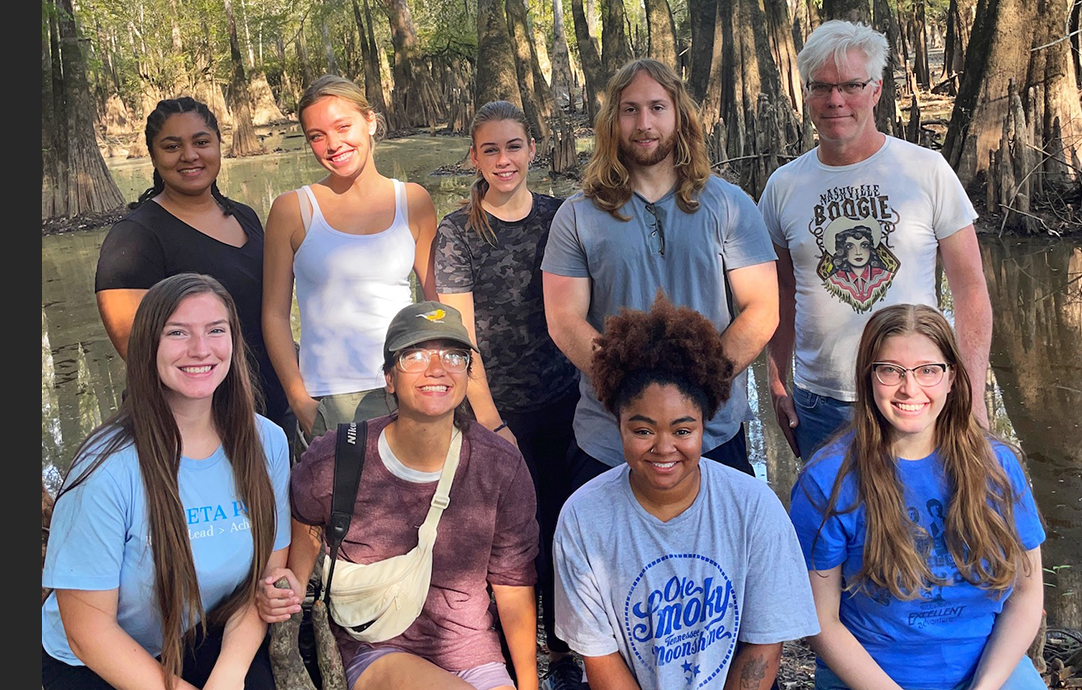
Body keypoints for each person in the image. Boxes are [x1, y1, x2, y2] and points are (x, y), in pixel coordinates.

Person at [255, 301, 540, 690]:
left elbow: (513, 583)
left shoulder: (499, 464)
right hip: (374, 648)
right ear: (389, 378)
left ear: (468, 374)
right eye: (416, 355)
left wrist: (528, 684)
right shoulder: (338, 456)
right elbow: (306, 525)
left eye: (454, 356)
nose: (436, 368)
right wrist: (288, 586)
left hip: (472, 653)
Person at [552, 293, 820, 690]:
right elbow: (600, 658)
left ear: (704, 423)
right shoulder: (583, 518)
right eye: (642, 430)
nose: (664, 448)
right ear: (618, 422)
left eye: (682, 430)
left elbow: (763, 647)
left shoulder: (753, 506)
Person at [757, 19, 993, 462]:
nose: (836, 100)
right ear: (805, 93)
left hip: (916, 397)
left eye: (850, 85)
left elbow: (970, 288)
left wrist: (972, 391)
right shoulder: (783, 187)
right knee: (831, 528)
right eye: (821, 87)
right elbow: (781, 294)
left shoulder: (926, 171)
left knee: (922, 526)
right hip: (820, 403)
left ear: (876, 90)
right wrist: (776, 381)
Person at [42, 273, 292, 690]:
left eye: (216, 330)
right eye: (177, 332)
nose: (201, 349)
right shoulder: (107, 467)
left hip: (199, 636)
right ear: (147, 347)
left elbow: (265, 579)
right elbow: (88, 632)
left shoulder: (266, 441)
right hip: (93, 661)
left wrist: (228, 676)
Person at [542, 57, 779, 490]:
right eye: (629, 109)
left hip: (712, 435)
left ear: (679, 116)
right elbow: (563, 319)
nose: (644, 122)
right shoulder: (576, 216)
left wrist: (696, 391)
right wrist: (633, 394)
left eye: (657, 107)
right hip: (609, 442)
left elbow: (761, 309)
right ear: (612, 121)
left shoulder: (730, 205)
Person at [788, 304, 1045, 690]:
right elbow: (820, 620)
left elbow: (1026, 594)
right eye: (890, 370)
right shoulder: (826, 480)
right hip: (871, 677)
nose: (910, 388)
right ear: (869, 378)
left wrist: (986, 685)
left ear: (951, 377)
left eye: (928, 370)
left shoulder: (998, 466)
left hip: (989, 669)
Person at [432, 100, 585, 689]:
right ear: (473, 157)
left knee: (564, 529)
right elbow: (459, 334)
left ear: (533, 149)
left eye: (513, 146)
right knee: (507, 539)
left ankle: (567, 651)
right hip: (496, 409)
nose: (503, 160)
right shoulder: (457, 232)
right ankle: (500, 658)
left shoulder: (560, 216)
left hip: (568, 401)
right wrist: (493, 423)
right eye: (490, 149)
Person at [94, 96, 295, 445]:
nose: (190, 155)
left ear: (219, 144)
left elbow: (268, 314)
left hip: (273, 414)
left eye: (201, 142)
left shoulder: (244, 216)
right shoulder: (135, 237)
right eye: (172, 146)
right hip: (194, 429)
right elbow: (138, 350)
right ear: (154, 156)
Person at [263, 74, 439, 446]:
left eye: (343, 126)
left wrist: (438, 377)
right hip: (330, 399)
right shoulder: (292, 210)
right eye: (316, 135)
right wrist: (300, 400)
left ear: (371, 122)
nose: (333, 144)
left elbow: (436, 301)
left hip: (408, 387)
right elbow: (274, 315)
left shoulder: (414, 201)